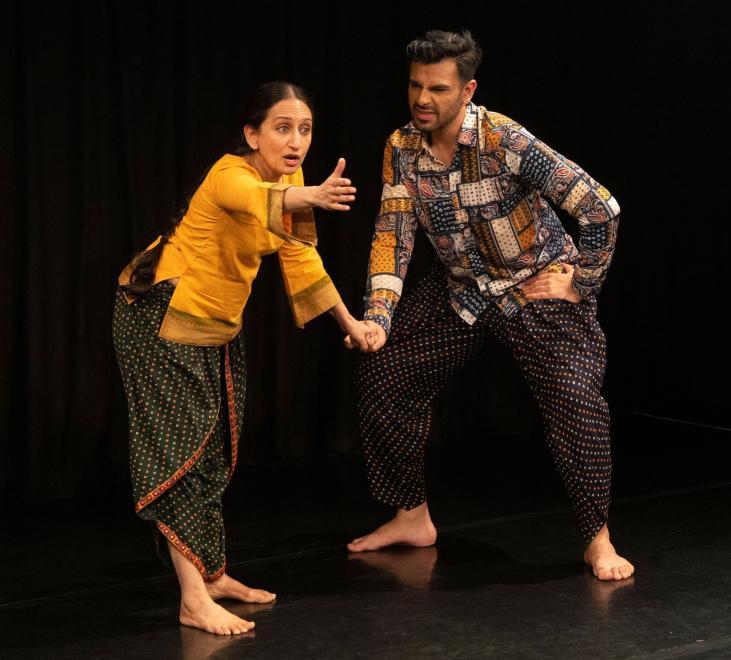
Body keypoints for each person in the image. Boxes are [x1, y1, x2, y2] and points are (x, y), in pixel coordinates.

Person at [346, 30, 634, 581]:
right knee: (384, 371)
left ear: (467, 89)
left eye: (437, 88)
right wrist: (379, 315)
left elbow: (602, 207)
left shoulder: (506, 140)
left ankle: (598, 538)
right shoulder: (401, 149)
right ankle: (412, 515)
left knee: (575, 404)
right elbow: (393, 234)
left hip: (533, 288)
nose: (422, 99)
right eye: (414, 86)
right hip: (464, 291)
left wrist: (581, 283)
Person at [113, 81, 372, 635]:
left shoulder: (293, 180)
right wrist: (309, 198)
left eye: (304, 129)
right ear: (252, 134)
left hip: (216, 326)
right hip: (161, 317)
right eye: (282, 127)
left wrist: (351, 325)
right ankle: (191, 599)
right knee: (179, 456)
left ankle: (210, 575)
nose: (296, 141)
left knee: (214, 453)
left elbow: (301, 258)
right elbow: (257, 202)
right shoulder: (230, 175)